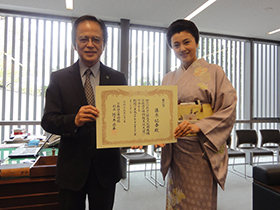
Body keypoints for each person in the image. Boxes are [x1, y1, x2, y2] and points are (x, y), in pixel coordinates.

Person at [41, 15, 127, 210]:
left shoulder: (117, 78)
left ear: (104, 44)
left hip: (106, 169)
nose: (90, 44)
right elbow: (48, 121)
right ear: (75, 43)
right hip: (71, 169)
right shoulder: (59, 78)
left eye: (96, 39)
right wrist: (75, 120)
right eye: (83, 39)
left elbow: (123, 120)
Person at [160, 19, 237, 210]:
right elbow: (162, 112)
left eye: (187, 42)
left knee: (199, 201)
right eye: (176, 45)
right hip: (176, 150)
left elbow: (229, 107)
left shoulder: (214, 72)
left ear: (196, 42)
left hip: (201, 149)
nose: (182, 48)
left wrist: (199, 126)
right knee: (176, 199)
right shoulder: (168, 78)